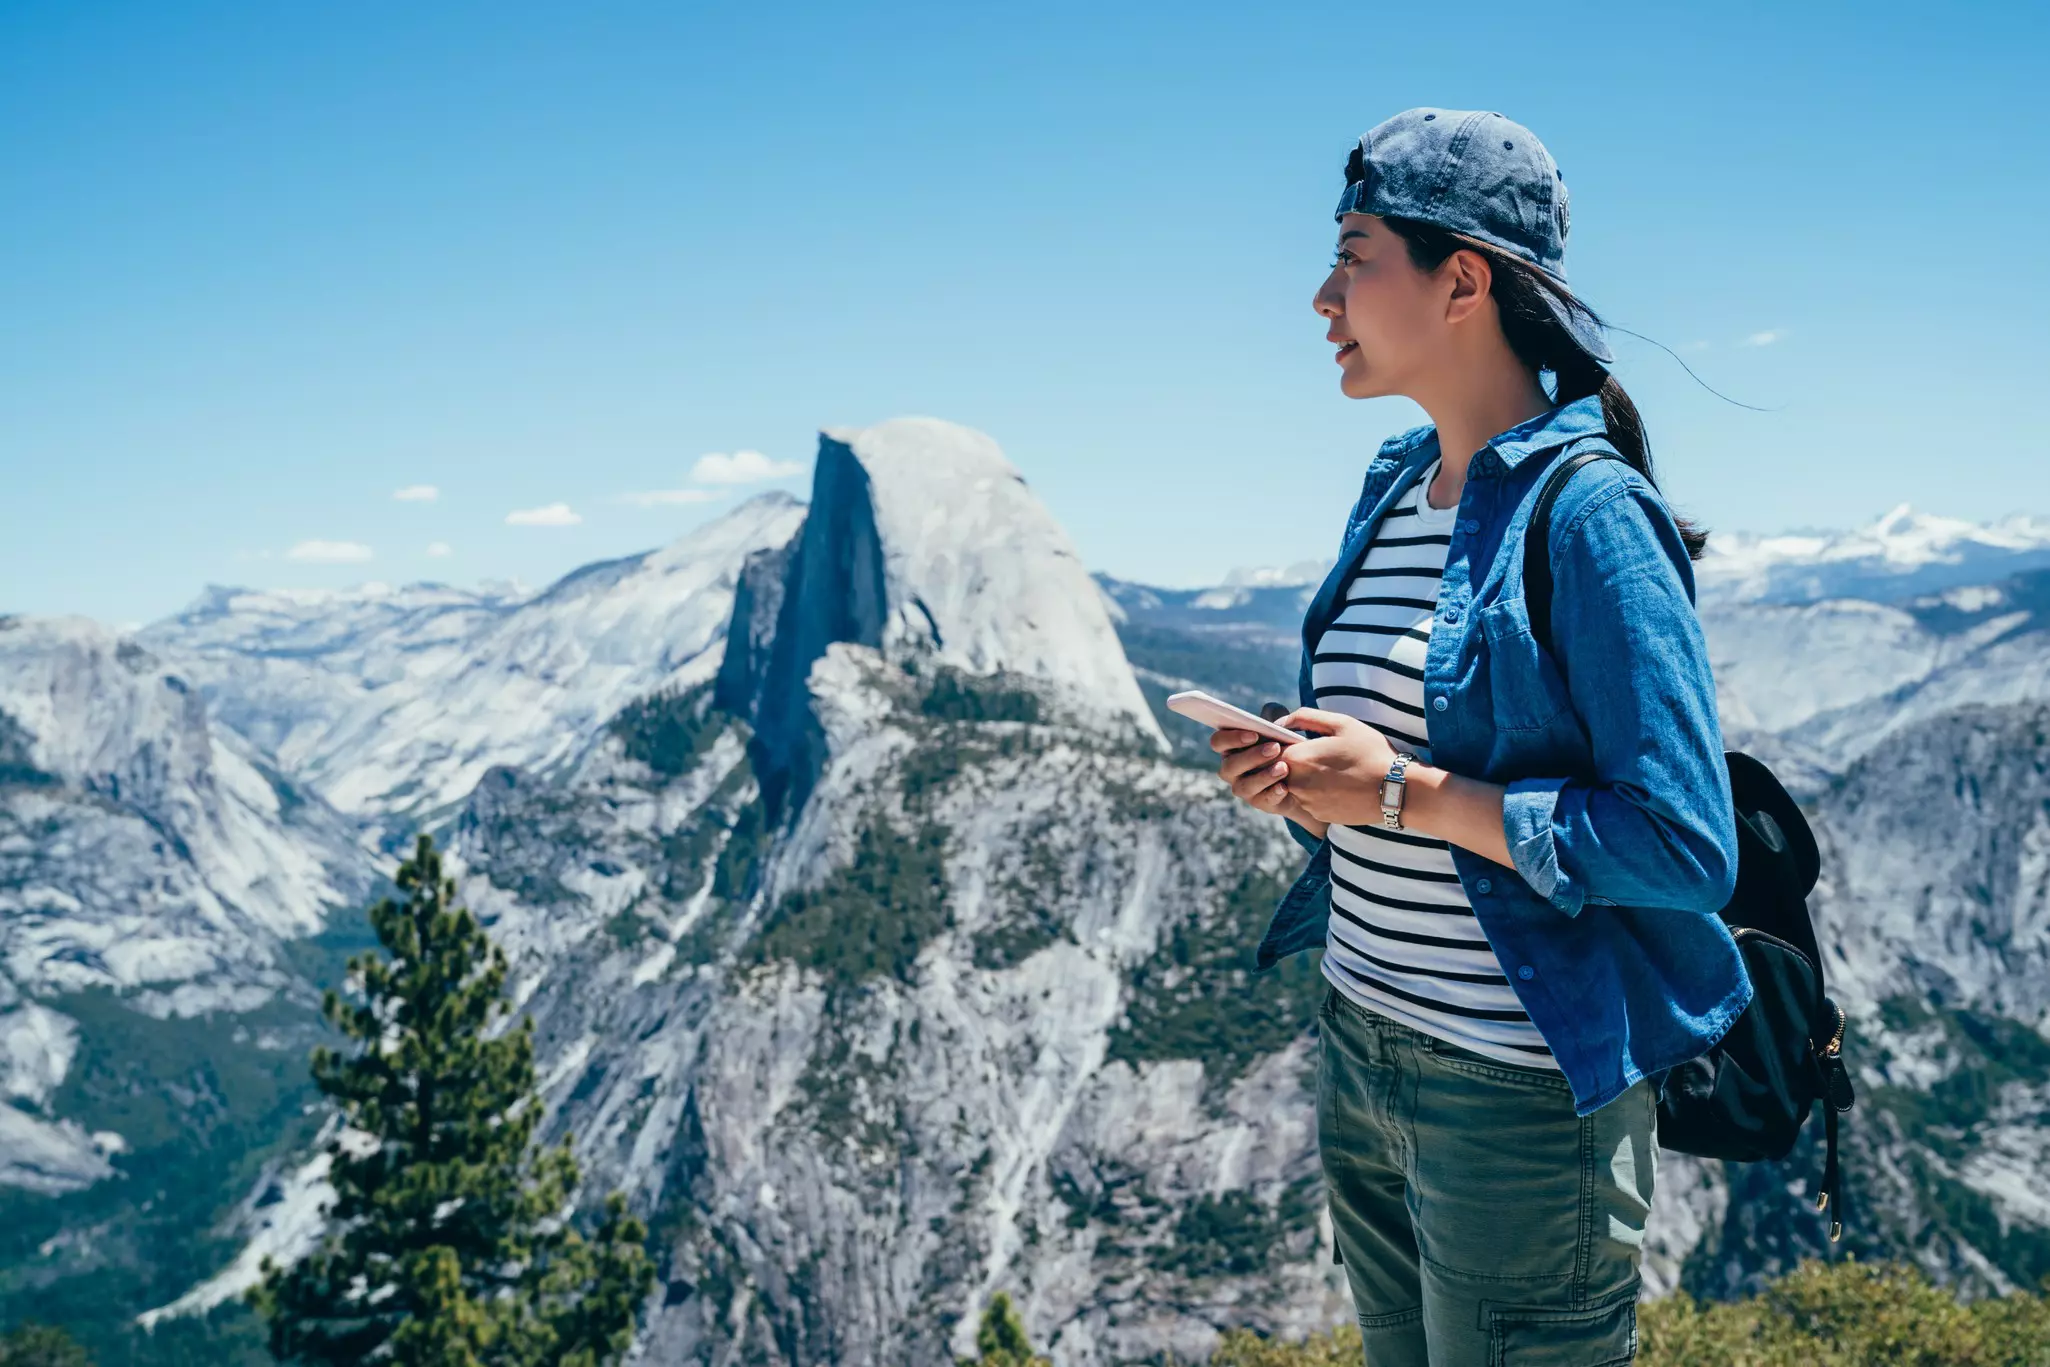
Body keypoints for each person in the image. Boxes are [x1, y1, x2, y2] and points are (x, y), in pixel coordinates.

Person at [1207, 108, 1744, 1366]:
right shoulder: (1397, 484)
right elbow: (1399, 755)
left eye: (1353, 255)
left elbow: (1680, 843)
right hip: (1361, 1037)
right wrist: (1303, 779)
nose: (1320, 294)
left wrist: (1396, 791)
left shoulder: (1591, 511)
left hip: (1514, 1092)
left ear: (1464, 280)